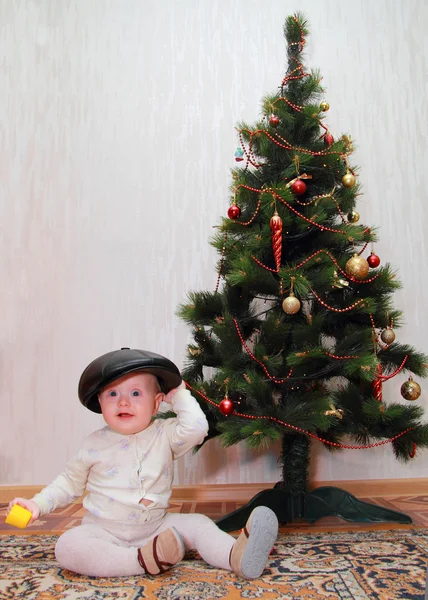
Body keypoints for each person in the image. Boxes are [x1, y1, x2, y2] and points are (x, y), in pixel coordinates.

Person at [6, 348, 278, 579]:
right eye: (112, 394)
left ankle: (236, 556)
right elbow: (68, 483)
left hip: (158, 529)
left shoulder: (165, 433)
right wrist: (37, 504)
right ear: (100, 402)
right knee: (68, 546)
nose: (123, 401)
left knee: (198, 524)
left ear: (157, 402)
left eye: (136, 393)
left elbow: (197, 428)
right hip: (104, 531)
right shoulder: (93, 444)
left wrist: (179, 394)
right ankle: (138, 562)